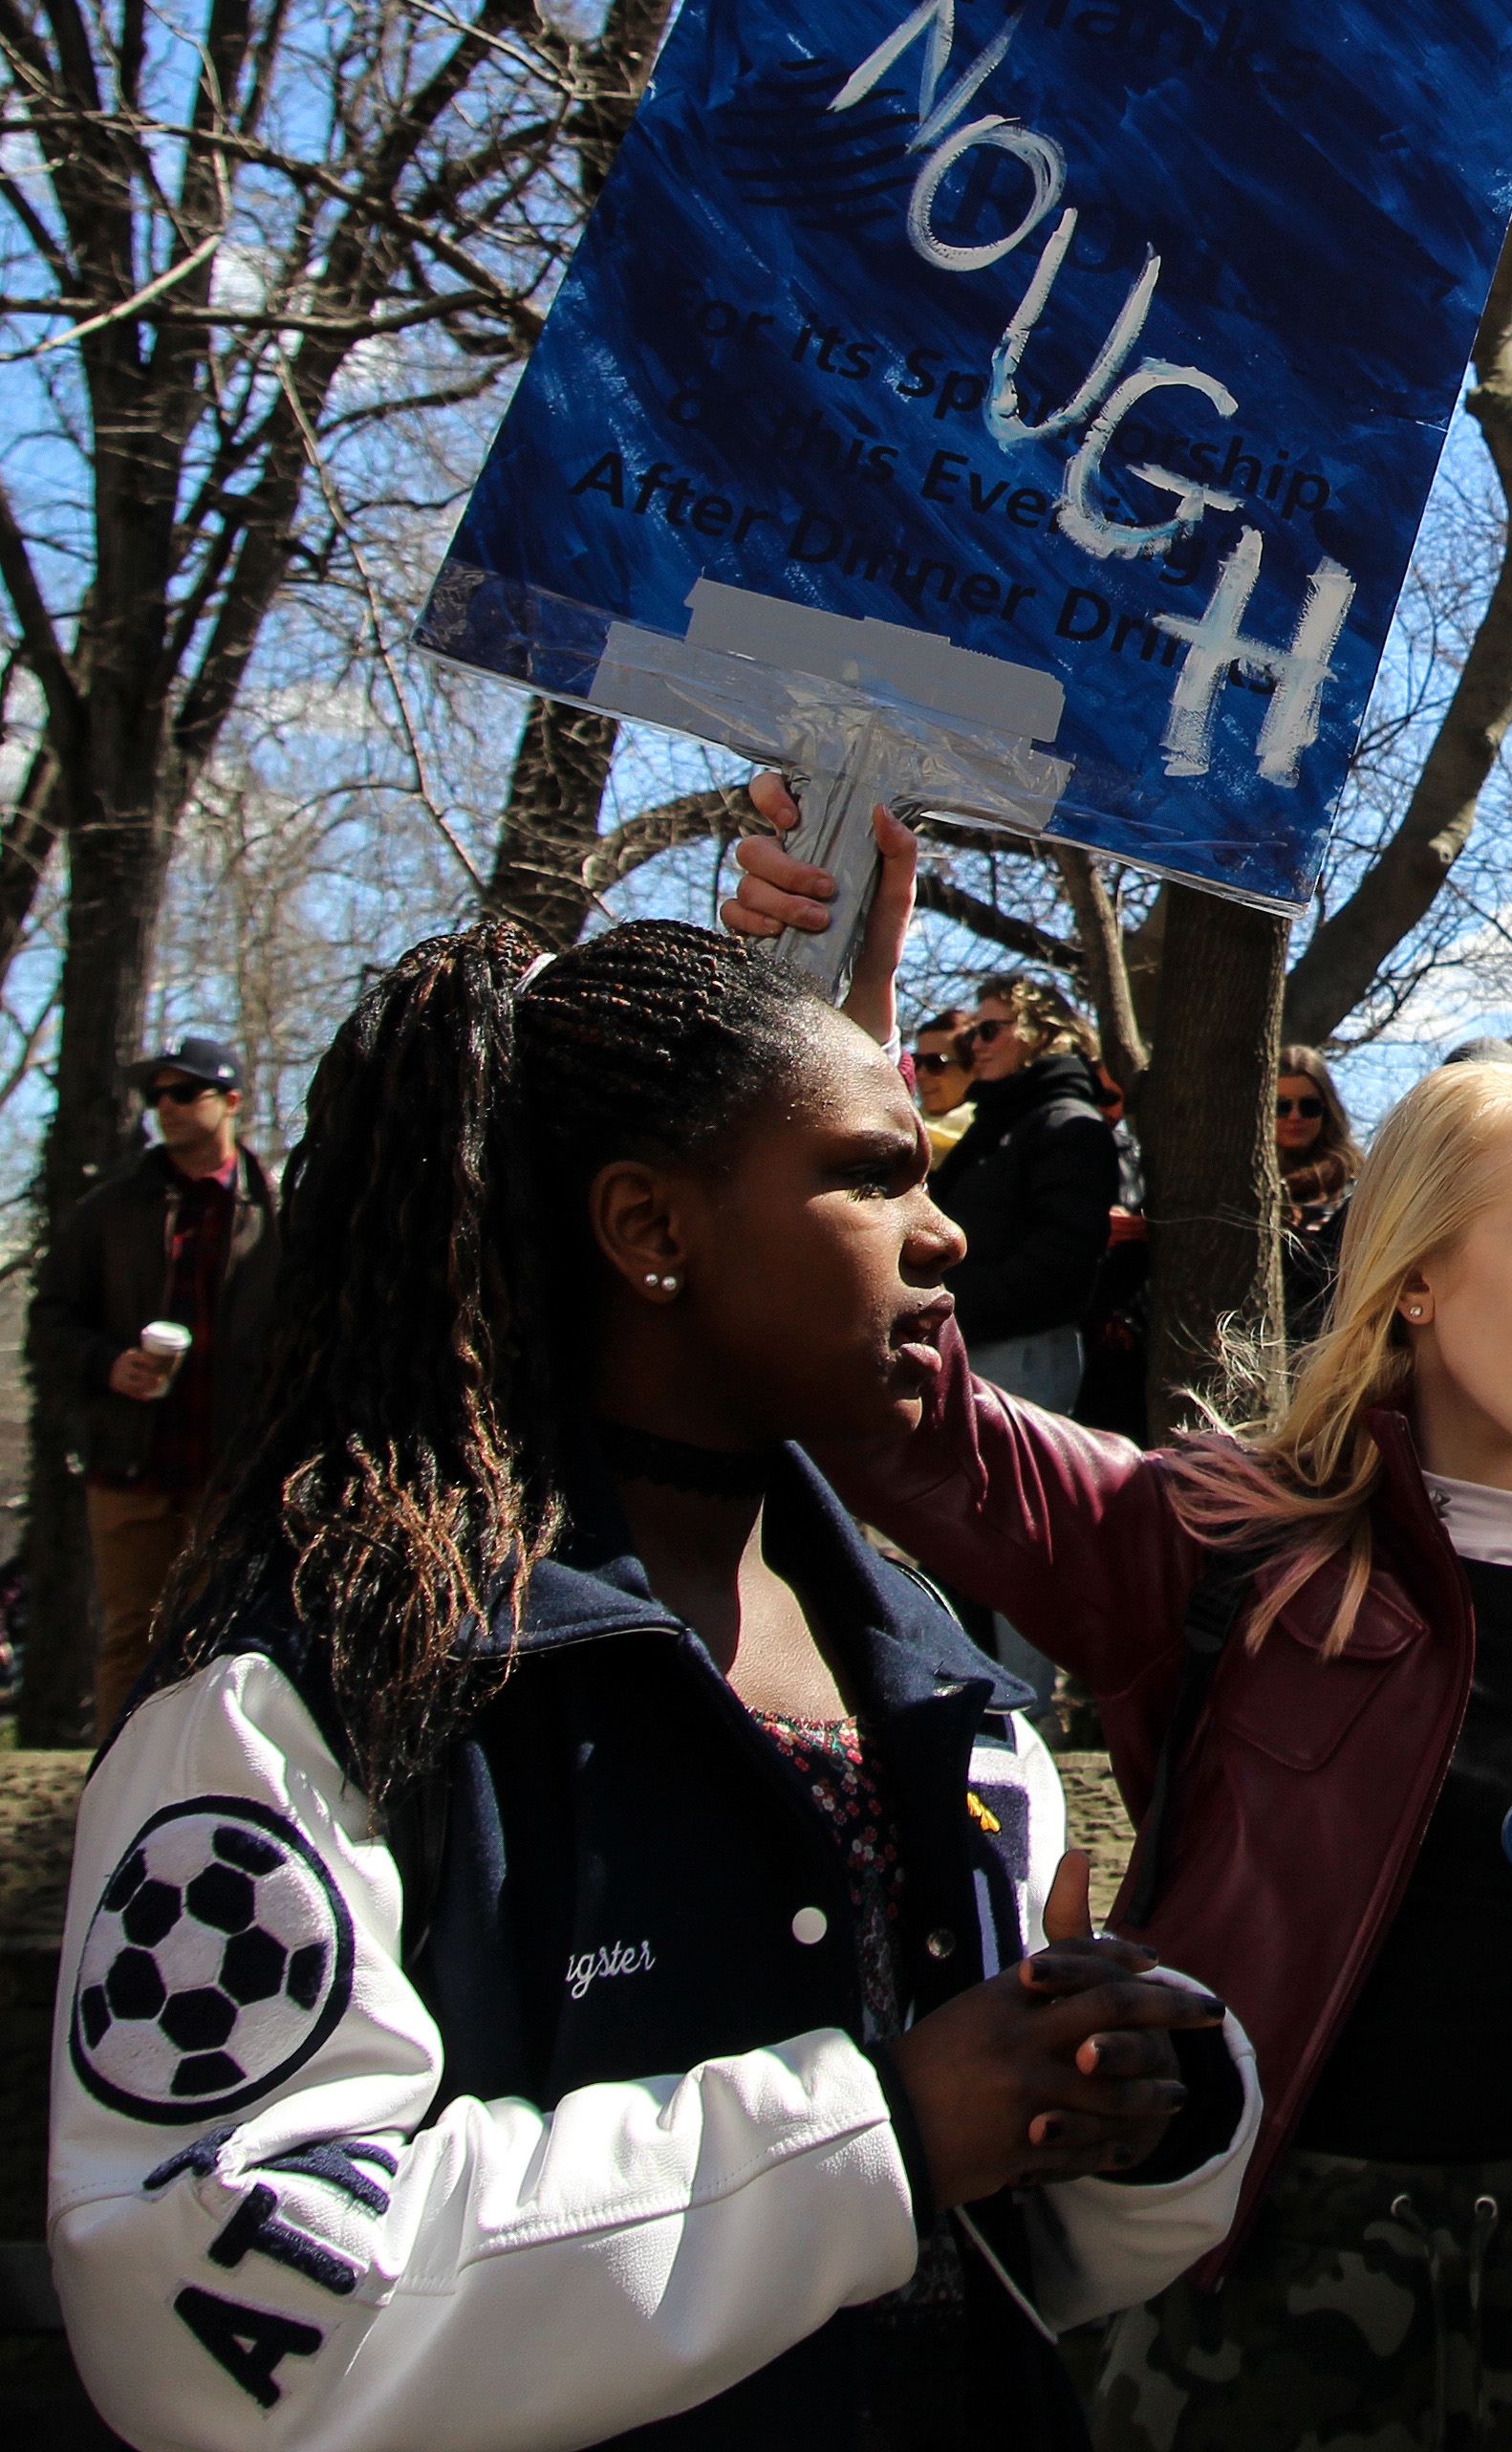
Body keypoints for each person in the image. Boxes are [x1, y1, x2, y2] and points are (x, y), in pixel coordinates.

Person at [725, 803, 1512, 2452]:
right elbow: (906, 1415)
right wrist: (830, 1071)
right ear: (1416, 1276)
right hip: (1259, 2323)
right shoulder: (1212, 1543)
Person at [49, 915, 1256, 2452]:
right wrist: (883, 2131)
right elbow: (212, 2315)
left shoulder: (940, 1696)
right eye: (873, 1177)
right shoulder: (315, 1693)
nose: (943, 1233)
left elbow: (997, 2252)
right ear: (649, 1227)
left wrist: (1137, 2116)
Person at [32, 1036, 280, 1736]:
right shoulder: (109, 1210)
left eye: (184, 1092)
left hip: (233, 1470)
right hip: (130, 1464)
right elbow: (50, 1320)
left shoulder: (278, 1211)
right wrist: (107, 1363)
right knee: (130, 1641)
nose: (166, 1107)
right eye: (157, 1095)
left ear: (231, 1102)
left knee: (222, 1639)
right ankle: (117, 1788)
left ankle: (205, 1784)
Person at [932, 976, 1119, 1415]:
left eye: (988, 1030)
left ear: (1040, 1033)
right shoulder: (996, 1122)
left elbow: (1061, 1264)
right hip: (969, 1345)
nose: (976, 1045)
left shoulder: (1068, 1124)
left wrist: (953, 1307)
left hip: (1017, 1360)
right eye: (970, 1035)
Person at [1274, 1045, 1359, 1340]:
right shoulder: (1240, 1183)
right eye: (1281, 1106)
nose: (1295, 1117)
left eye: (1309, 1106)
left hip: (1332, 1340)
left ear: (1327, 1110)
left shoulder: (1354, 1186)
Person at [908, 1009, 978, 1158]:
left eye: (935, 1063)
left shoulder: (995, 1133)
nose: (920, 1074)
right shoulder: (901, 1129)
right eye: (917, 1062)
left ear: (973, 1069)